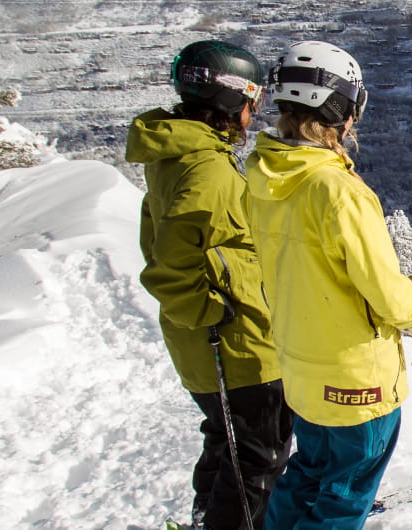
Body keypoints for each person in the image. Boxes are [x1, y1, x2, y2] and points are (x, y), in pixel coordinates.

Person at [244, 40, 412, 529]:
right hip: (357, 378)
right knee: (346, 492)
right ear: (346, 113)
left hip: (301, 367)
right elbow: (386, 295)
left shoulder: (262, 176)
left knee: (308, 471)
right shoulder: (339, 191)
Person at [125, 40, 292, 530]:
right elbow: (170, 266)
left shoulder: (180, 156)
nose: (254, 113)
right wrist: (209, 312)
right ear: (231, 100)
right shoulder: (207, 170)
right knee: (261, 455)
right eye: (252, 100)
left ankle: (209, 517)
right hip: (235, 344)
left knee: (228, 440)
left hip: (207, 342)